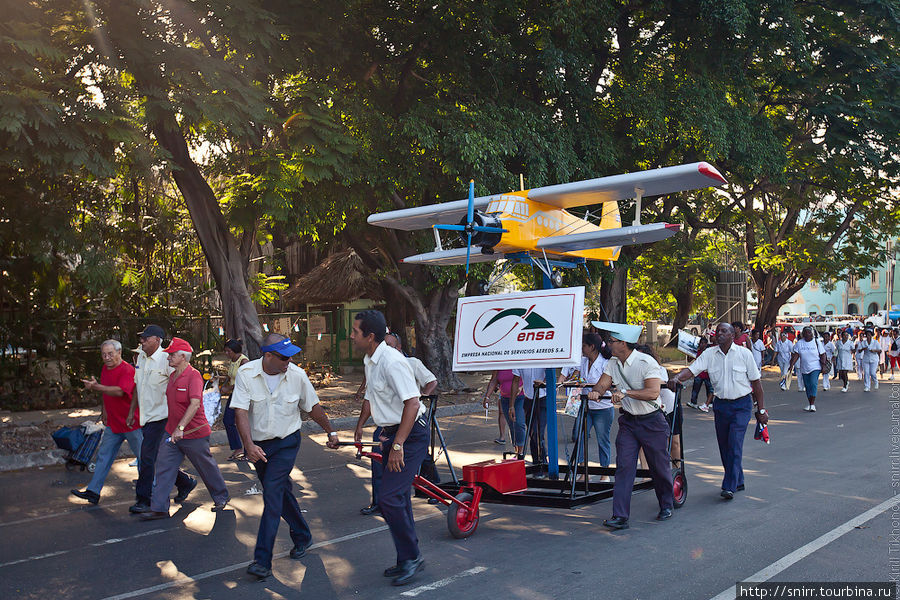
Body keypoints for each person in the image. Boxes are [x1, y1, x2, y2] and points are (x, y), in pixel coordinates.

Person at [231, 333, 339, 580]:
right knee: (281, 492)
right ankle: (302, 535)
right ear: (267, 356)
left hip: (286, 443)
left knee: (272, 494)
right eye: (282, 357)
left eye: (290, 356)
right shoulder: (247, 374)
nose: (288, 361)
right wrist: (248, 445)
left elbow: (312, 407)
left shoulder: (297, 376)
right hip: (259, 445)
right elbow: (240, 412)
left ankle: (262, 560)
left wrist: (330, 431)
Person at [351, 310, 430, 586]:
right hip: (391, 433)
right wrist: (362, 425)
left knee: (389, 498)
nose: (351, 336)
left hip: (410, 435)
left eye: (355, 331)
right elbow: (372, 398)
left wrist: (398, 444)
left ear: (370, 336)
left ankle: (411, 557)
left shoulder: (392, 361)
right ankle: (406, 558)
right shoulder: (370, 360)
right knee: (397, 499)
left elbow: (412, 403)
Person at [587, 321, 674, 529]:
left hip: (651, 421)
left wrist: (625, 393)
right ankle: (620, 516)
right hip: (629, 422)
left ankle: (666, 504)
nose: (607, 344)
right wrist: (597, 392)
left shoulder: (646, 362)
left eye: (611, 341)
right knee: (625, 467)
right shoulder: (612, 363)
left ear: (623, 343)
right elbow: (603, 383)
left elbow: (653, 392)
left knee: (658, 467)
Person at [668, 322, 768, 500]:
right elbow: (691, 370)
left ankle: (729, 485)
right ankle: (738, 480)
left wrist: (761, 410)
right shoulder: (709, 354)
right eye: (718, 331)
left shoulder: (744, 354)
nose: (719, 334)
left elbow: (757, 384)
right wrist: (676, 378)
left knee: (734, 443)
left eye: (723, 331)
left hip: (742, 405)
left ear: (732, 335)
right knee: (724, 446)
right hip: (721, 405)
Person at [140, 338, 230, 520]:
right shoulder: (172, 376)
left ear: (183, 357)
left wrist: (180, 427)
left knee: (206, 467)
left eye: (172, 355)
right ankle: (159, 508)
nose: (168, 358)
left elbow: (195, 403)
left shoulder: (194, 376)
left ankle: (221, 496)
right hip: (172, 431)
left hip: (193, 433)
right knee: (163, 466)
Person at [360, 331, 437, 516]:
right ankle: (379, 502)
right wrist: (360, 424)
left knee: (420, 458)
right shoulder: (374, 364)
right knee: (379, 461)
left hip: (409, 420)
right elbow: (369, 397)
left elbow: (431, 381)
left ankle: (432, 486)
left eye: (390, 345)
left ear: (399, 347)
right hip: (387, 422)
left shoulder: (411, 363)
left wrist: (424, 396)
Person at [128, 325, 195, 514]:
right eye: (141, 338)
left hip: (162, 417)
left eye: (146, 338)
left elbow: (181, 385)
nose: (142, 341)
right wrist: (132, 410)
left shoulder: (167, 360)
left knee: (147, 458)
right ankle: (185, 482)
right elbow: (137, 385)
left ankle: (145, 500)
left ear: (157, 340)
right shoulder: (141, 356)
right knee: (157, 458)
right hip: (146, 417)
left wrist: (180, 418)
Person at [71, 340, 142, 505]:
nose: (107, 357)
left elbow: (118, 391)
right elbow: (106, 392)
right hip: (114, 423)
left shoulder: (127, 370)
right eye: (104, 354)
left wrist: (96, 387)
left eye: (110, 354)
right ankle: (93, 492)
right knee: (104, 456)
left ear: (119, 353)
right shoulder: (105, 368)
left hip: (132, 423)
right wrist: (104, 411)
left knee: (143, 458)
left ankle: (147, 494)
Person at [564, 333, 614, 482]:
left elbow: (607, 383)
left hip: (602, 407)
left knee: (602, 440)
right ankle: (584, 471)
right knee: (580, 437)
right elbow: (576, 376)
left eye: (584, 346)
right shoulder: (583, 361)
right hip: (585, 406)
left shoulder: (605, 362)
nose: (582, 349)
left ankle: (605, 472)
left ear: (592, 347)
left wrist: (592, 387)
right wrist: (572, 381)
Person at [511, 367, 549, 466]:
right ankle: (537, 462)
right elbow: (515, 381)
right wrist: (511, 405)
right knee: (532, 432)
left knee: (537, 431)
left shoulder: (544, 356)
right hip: (528, 399)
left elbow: (550, 375)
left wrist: (543, 382)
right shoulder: (521, 359)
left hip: (543, 398)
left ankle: (543, 461)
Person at [220, 339, 250, 461]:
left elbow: (243, 381)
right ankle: (238, 448)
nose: (227, 353)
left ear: (235, 351)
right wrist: (222, 383)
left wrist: (228, 388)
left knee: (244, 422)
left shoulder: (244, 361)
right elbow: (230, 376)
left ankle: (248, 450)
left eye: (229, 351)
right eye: (226, 351)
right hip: (234, 394)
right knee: (228, 420)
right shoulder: (233, 361)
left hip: (243, 394)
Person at [483, 369, 525, 453]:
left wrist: (521, 387)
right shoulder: (499, 364)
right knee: (512, 425)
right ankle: (516, 450)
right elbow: (494, 380)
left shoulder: (518, 361)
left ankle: (520, 452)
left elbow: (528, 377)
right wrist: (487, 397)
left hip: (520, 397)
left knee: (519, 423)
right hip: (505, 398)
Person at [788, 326, 828, 412]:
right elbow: (796, 355)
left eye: (809, 332)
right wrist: (791, 365)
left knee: (813, 383)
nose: (807, 334)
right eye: (805, 333)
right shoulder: (799, 343)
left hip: (815, 366)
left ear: (812, 334)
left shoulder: (816, 342)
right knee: (807, 386)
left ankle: (812, 404)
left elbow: (823, 354)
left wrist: (823, 365)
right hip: (804, 368)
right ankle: (810, 403)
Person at [686, 337, 714, 412]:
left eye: (702, 343)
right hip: (699, 373)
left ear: (705, 344)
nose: (701, 345)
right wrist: (689, 353)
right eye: (700, 343)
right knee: (696, 388)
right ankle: (693, 402)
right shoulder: (697, 351)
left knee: (709, 389)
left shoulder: (708, 352)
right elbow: (689, 360)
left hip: (707, 374)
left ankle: (710, 402)